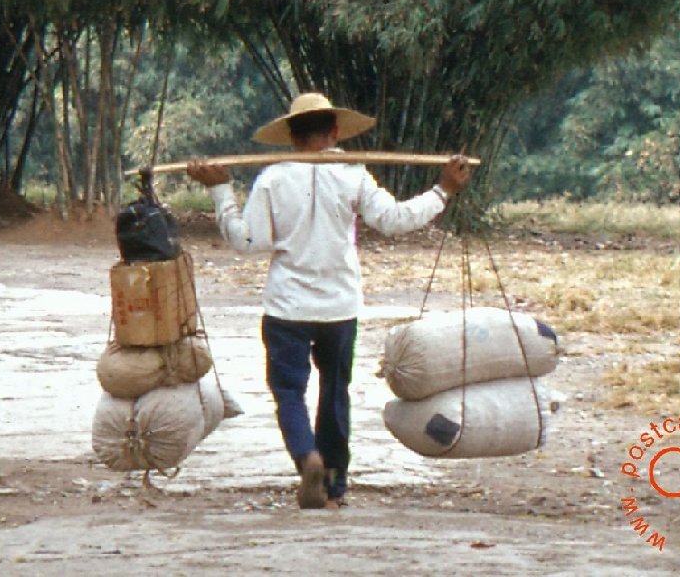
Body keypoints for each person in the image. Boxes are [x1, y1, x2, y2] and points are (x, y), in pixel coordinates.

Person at [187, 92, 470, 510]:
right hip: (340, 308)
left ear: (290, 136)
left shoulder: (273, 179)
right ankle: (334, 488)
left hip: (287, 309)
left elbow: (248, 241)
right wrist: (443, 190)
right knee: (335, 392)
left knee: (288, 392)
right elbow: (393, 221)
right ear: (335, 131)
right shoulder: (352, 175)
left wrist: (220, 191)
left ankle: (308, 459)